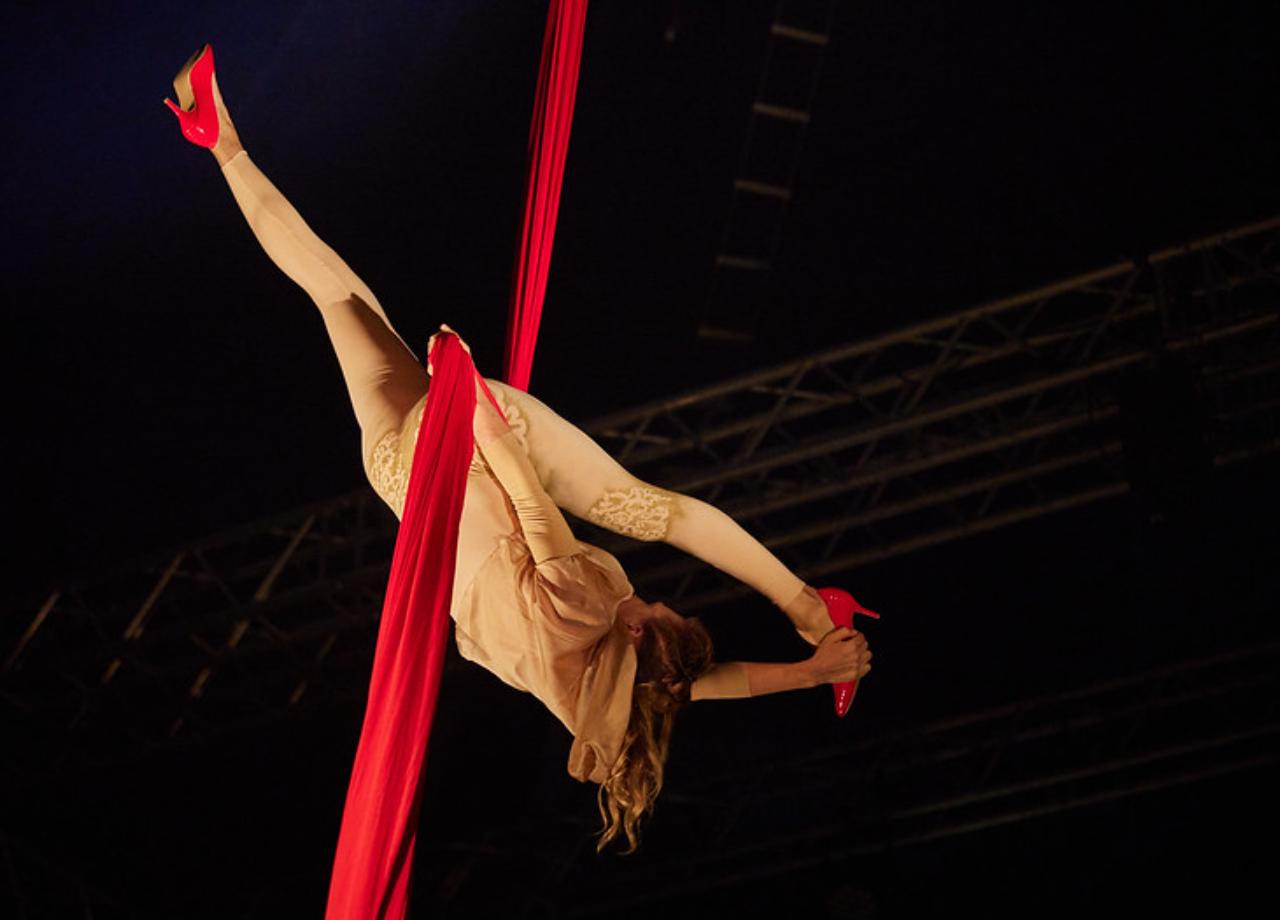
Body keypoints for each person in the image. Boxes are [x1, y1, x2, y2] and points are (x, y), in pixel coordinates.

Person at [164, 45, 874, 853]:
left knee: (656, 513)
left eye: (656, 610)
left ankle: (805, 603)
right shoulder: (581, 697)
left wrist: (468, 393)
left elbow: (531, 500)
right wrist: (807, 676)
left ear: (636, 636)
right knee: (337, 294)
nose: (652, 600)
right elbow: (681, 690)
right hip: (401, 474)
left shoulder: (589, 602)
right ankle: (218, 140)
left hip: (470, 443)